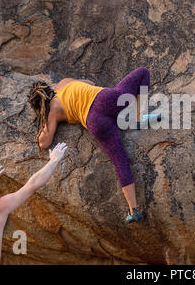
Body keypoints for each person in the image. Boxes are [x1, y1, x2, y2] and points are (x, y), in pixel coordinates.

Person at [27, 67, 158, 223]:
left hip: (94, 122)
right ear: (48, 88)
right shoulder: (63, 84)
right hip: (104, 100)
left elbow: (44, 143)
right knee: (143, 73)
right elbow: (90, 82)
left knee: (119, 160)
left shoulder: (52, 114)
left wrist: (44, 118)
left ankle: (133, 209)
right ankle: (138, 118)